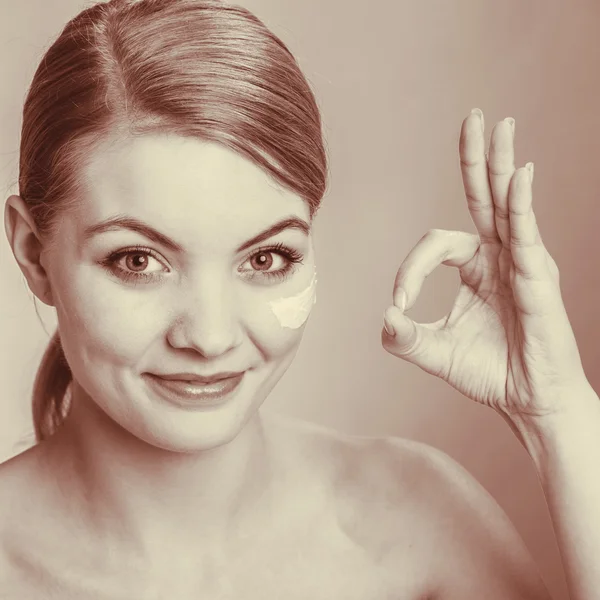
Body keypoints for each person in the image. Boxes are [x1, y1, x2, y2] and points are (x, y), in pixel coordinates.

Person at [1, 0, 599, 598]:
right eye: (138, 261)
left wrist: (556, 415)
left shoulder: (418, 521)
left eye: (264, 259)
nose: (210, 337)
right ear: (33, 252)